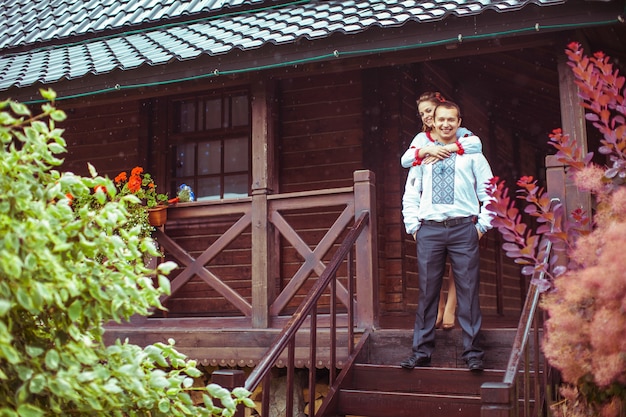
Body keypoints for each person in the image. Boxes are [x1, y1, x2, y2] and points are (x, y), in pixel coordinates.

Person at [401, 101, 494, 372]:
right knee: (428, 292)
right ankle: (421, 352)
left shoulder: (473, 154)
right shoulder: (422, 156)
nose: (445, 124)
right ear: (433, 122)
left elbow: (490, 192)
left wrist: (481, 227)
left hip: (463, 228)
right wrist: (413, 227)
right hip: (429, 229)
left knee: (468, 291)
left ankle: (473, 353)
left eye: (451, 120)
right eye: (440, 119)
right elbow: (410, 193)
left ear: (459, 121)